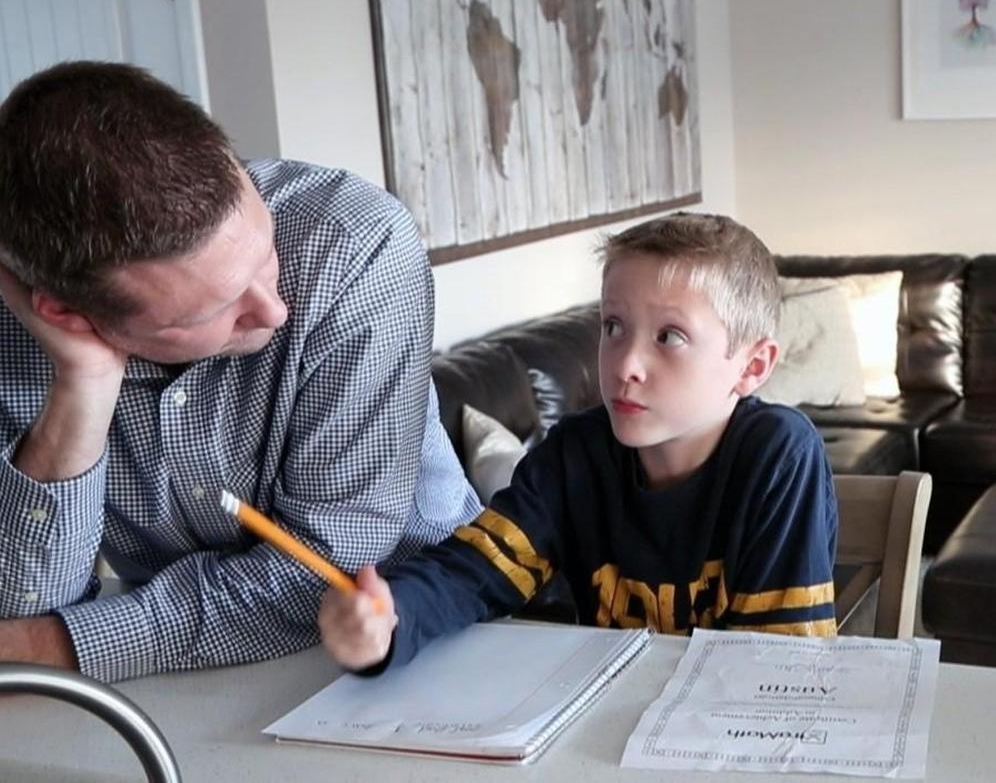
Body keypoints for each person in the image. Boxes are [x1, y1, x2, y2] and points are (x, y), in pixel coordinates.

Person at [0, 60, 481, 704]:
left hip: (434, 643)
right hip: (182, 688)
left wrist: (4, 652)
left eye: (263, 253)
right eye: (213, 310)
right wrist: (83, 387)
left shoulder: (356, 247)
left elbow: (324, 574)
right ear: (68, 315)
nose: (273, 310)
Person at [320, 214, 838, 673]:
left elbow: (777, 668)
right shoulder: (576, 454)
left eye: (670, 337)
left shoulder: (779, 454)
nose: (625, 364)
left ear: (752, 366)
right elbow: (476, 570)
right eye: (613, 326)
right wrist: (392, 616)